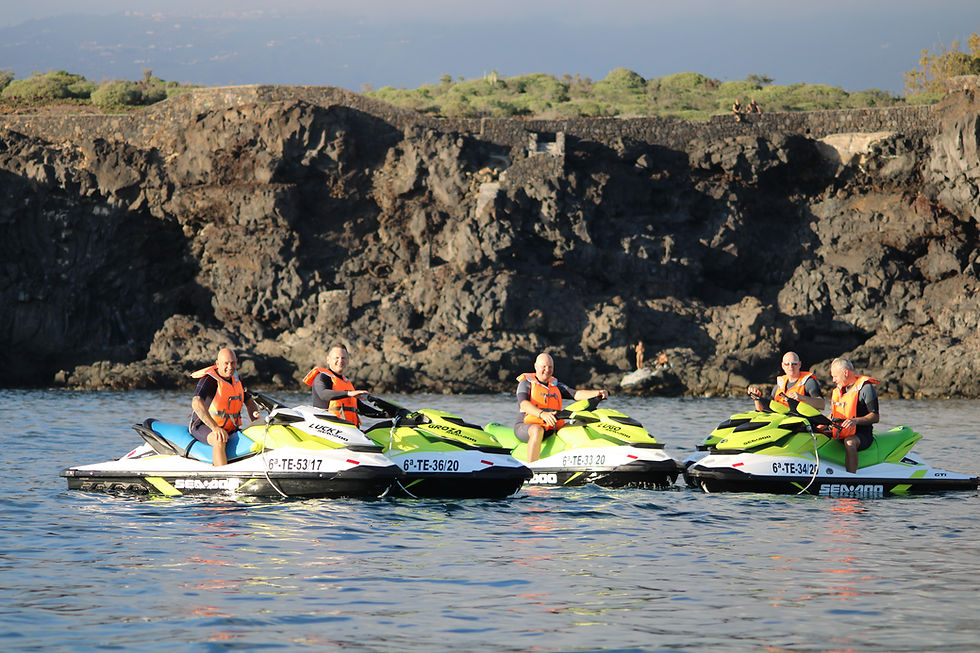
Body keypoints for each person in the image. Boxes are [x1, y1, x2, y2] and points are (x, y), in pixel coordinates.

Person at [515, 352, 608, 462]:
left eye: (550, 367)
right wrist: (542, 414)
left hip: (552, 427)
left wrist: (597, 393)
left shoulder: (556, 385)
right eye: (543, 366)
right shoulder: (526, 383)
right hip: (526, 426)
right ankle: (531, 467)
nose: (547, 370)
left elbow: (576, 394)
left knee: (577, 426)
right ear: (536, 366)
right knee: (537, 430)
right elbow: (523, 404)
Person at [189, 347, 260, 467]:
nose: (230, 367)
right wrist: (215, 428)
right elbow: (196, 402)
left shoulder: (236, 379)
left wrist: (257, 424)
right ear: (217, 364)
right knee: (219, 439)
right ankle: (221, 473)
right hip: (203, 426)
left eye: (233, 363)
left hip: (230, 428)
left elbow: (249, 402)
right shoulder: (209, 380)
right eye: (226, 363)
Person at [828, 357, 880, 474]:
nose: (833, 380)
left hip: (861, 434)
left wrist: (855, 421)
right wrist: (819, 423)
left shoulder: (866, 389)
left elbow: (875, 416)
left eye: (835, 376)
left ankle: (850, 477)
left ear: (845, 373)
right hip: (841, 431)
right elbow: (834, 414)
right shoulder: (840, 390)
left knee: (849, 442)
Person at [302, 343, 370, 427]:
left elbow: (361, 408)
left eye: (343, 358)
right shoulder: (322, 377)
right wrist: (349, 393)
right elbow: (323, 394)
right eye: (336, 358)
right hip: (327, 427)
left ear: (348, 360)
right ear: (328, 360)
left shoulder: (346, 382)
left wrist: (383, 414)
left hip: (349, 428)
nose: (340, 361)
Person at [747, 351, 825, 412]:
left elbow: (822, 404)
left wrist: (801, 397)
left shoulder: (809, 382)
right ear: (783, 366)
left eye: (794, 364)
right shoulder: (779, 386)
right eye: (787, 364)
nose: (791, 367)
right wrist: (757, 399)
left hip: (802, 423)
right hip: (783, 422)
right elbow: (763, 411)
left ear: (799, 365)